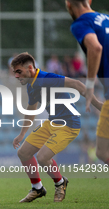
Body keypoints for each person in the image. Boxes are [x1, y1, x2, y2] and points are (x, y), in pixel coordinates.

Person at [11, 52, 102, 203]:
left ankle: (60, 183)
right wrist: (22, 134)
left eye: (18, 71)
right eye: (15, 72)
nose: (16, 75)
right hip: (52, 122)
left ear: (30, 68)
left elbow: (77, 85)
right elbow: (31, 108)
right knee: (23, 153)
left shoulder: (46, 78)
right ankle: (37, 188)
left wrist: (98, 105)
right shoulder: (31, 85)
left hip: (68, 125)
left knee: (42, 157)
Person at [66, 0, 109, 165]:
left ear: (69, 5)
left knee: (102, 152)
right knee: (101, 151)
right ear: (89, 1)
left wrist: (90, 85)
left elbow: (95, 48)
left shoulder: (81, 23)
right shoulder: (106, 18)